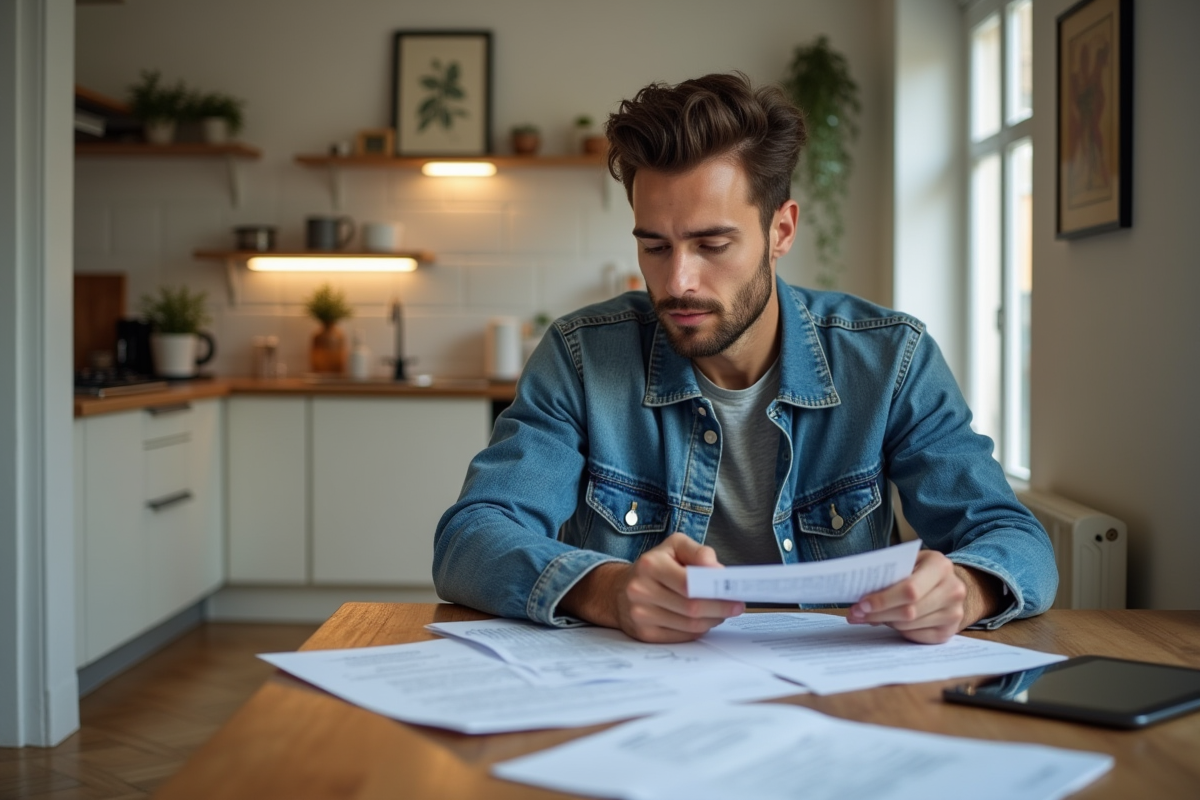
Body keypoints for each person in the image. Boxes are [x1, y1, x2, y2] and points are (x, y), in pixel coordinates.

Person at [433, 72, 1057, 645]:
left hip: (836, 695)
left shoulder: (889, 359)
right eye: (654, 246)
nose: (677, 281)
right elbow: (470, 538)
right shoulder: (580, 357)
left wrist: (967, 588)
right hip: (639, 700)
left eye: (712, 244)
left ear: (781, 230)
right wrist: (609, 590)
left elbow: (1014, 538)